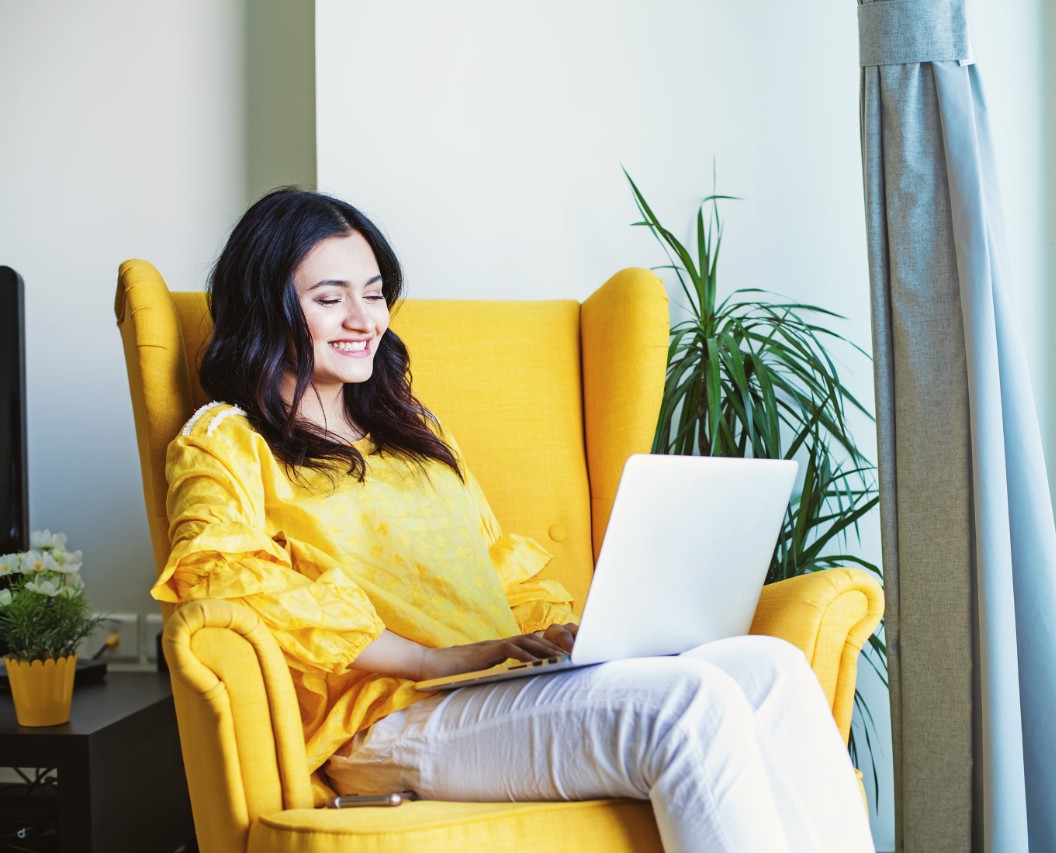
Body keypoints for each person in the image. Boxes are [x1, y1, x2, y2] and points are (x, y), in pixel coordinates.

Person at [151, 187, 874, 853]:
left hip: (493, 690)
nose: (364, 319)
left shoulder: (411, 432)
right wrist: (434, 659)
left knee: (770, 667)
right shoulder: (226, 442)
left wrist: (572, 642)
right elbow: (227, 580)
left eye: (373, 294)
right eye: (330, 297)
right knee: (690, 704)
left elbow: (493, 562)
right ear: (266, 305)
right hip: (382, 721)